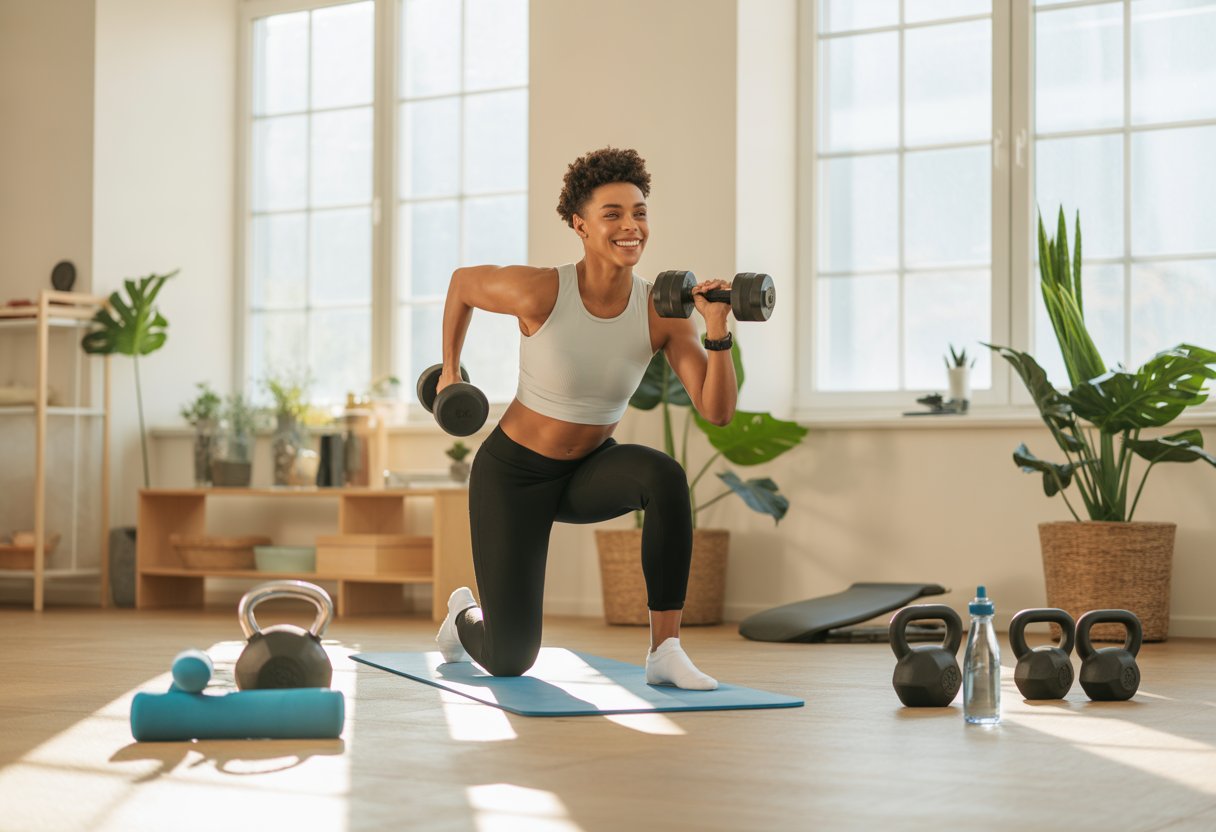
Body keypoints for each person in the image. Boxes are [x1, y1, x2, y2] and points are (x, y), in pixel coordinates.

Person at [434, 147, 737, 690]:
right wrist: (451, 372)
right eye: (612, 213)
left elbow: (716, 412)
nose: (630, 226)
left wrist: (716, 328)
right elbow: (462, 284)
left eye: (639, 212)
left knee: (663, 476)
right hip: (513, 477)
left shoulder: (661, 313)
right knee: (510, 659)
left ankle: (665, 649)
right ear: (580, 224)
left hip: (586, 473)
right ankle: (463, 617)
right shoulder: (543, 290)